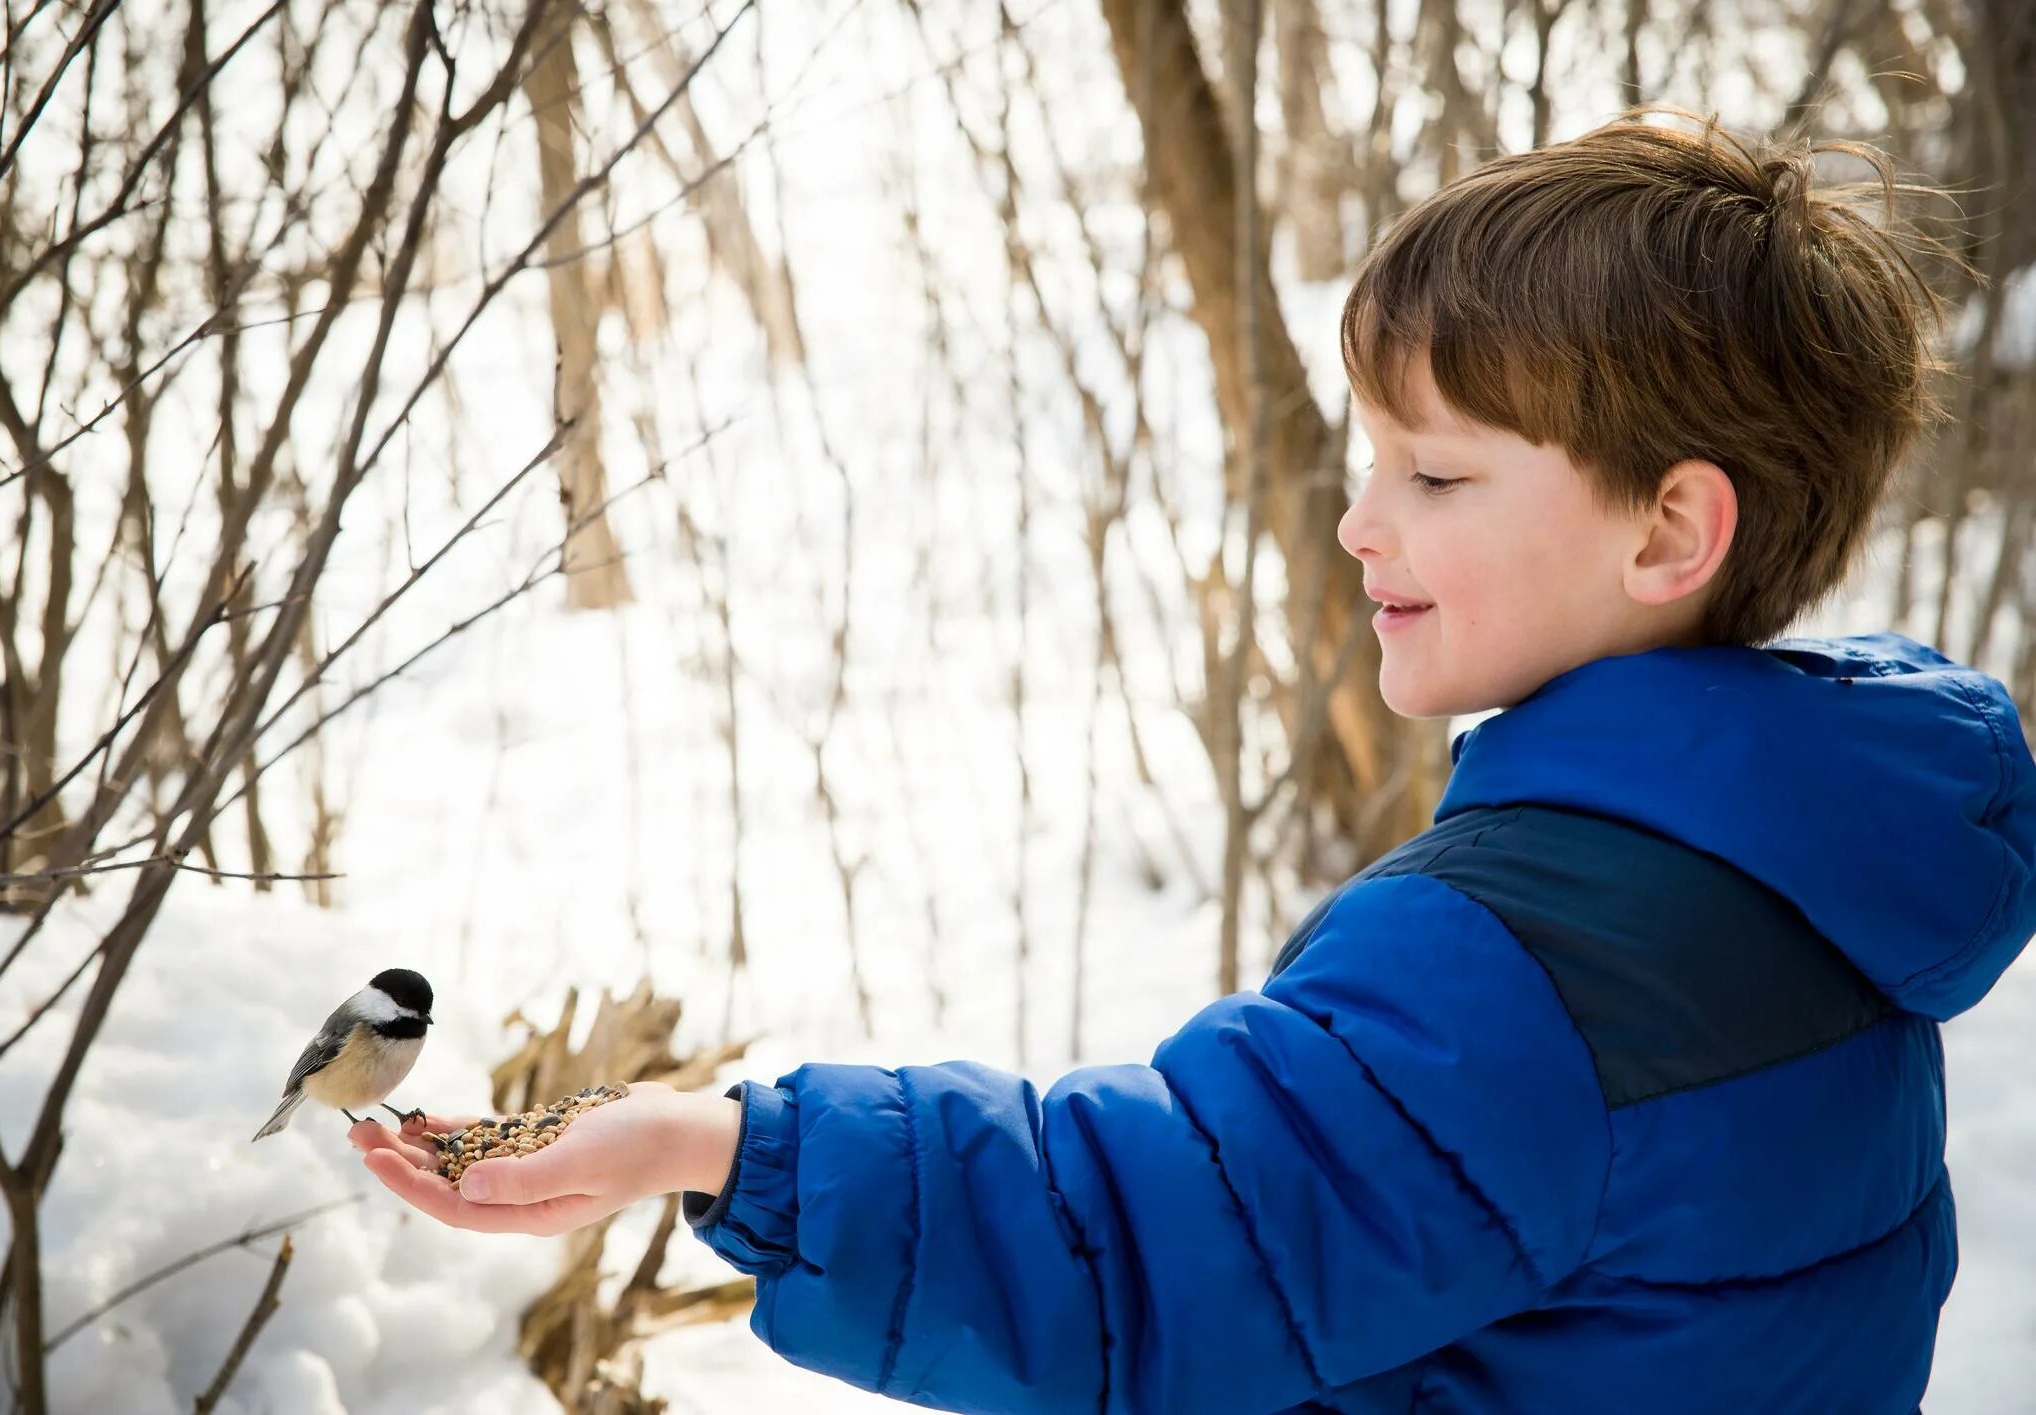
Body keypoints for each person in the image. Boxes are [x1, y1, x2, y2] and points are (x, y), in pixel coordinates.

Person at [351, 108, 2036, 1413]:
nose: (1362, 521)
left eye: (1436, 477)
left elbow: (1150, 1240)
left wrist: (719, 1143)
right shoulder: (1837, 868)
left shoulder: (1518, 960)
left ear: (1671, 526)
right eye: (1372, 460)